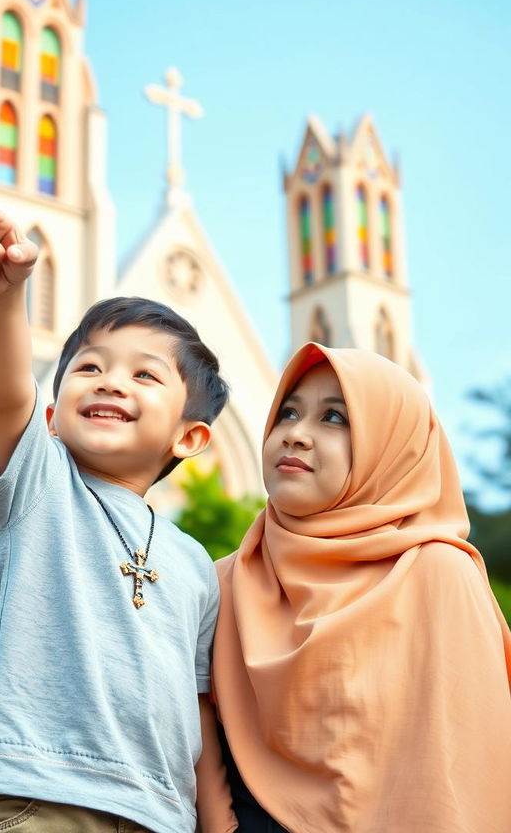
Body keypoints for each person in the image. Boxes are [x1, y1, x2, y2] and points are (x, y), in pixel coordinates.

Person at [0, 195, 237, 833]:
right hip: (40, 792)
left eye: (145, 376)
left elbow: (201, 712)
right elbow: (4, 388)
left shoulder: (195, 566)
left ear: (189, 437)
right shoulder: (37, 484)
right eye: (89, 367)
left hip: (162, 816)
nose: (111, 381)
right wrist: (2, 294)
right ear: (50, 416)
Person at [211, 343, 511, 833]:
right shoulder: (226, 579)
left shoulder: (434, 573)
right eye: (288, 412)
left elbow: (466, 773)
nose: (296, 435)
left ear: (394, 448)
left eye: (335, 418)